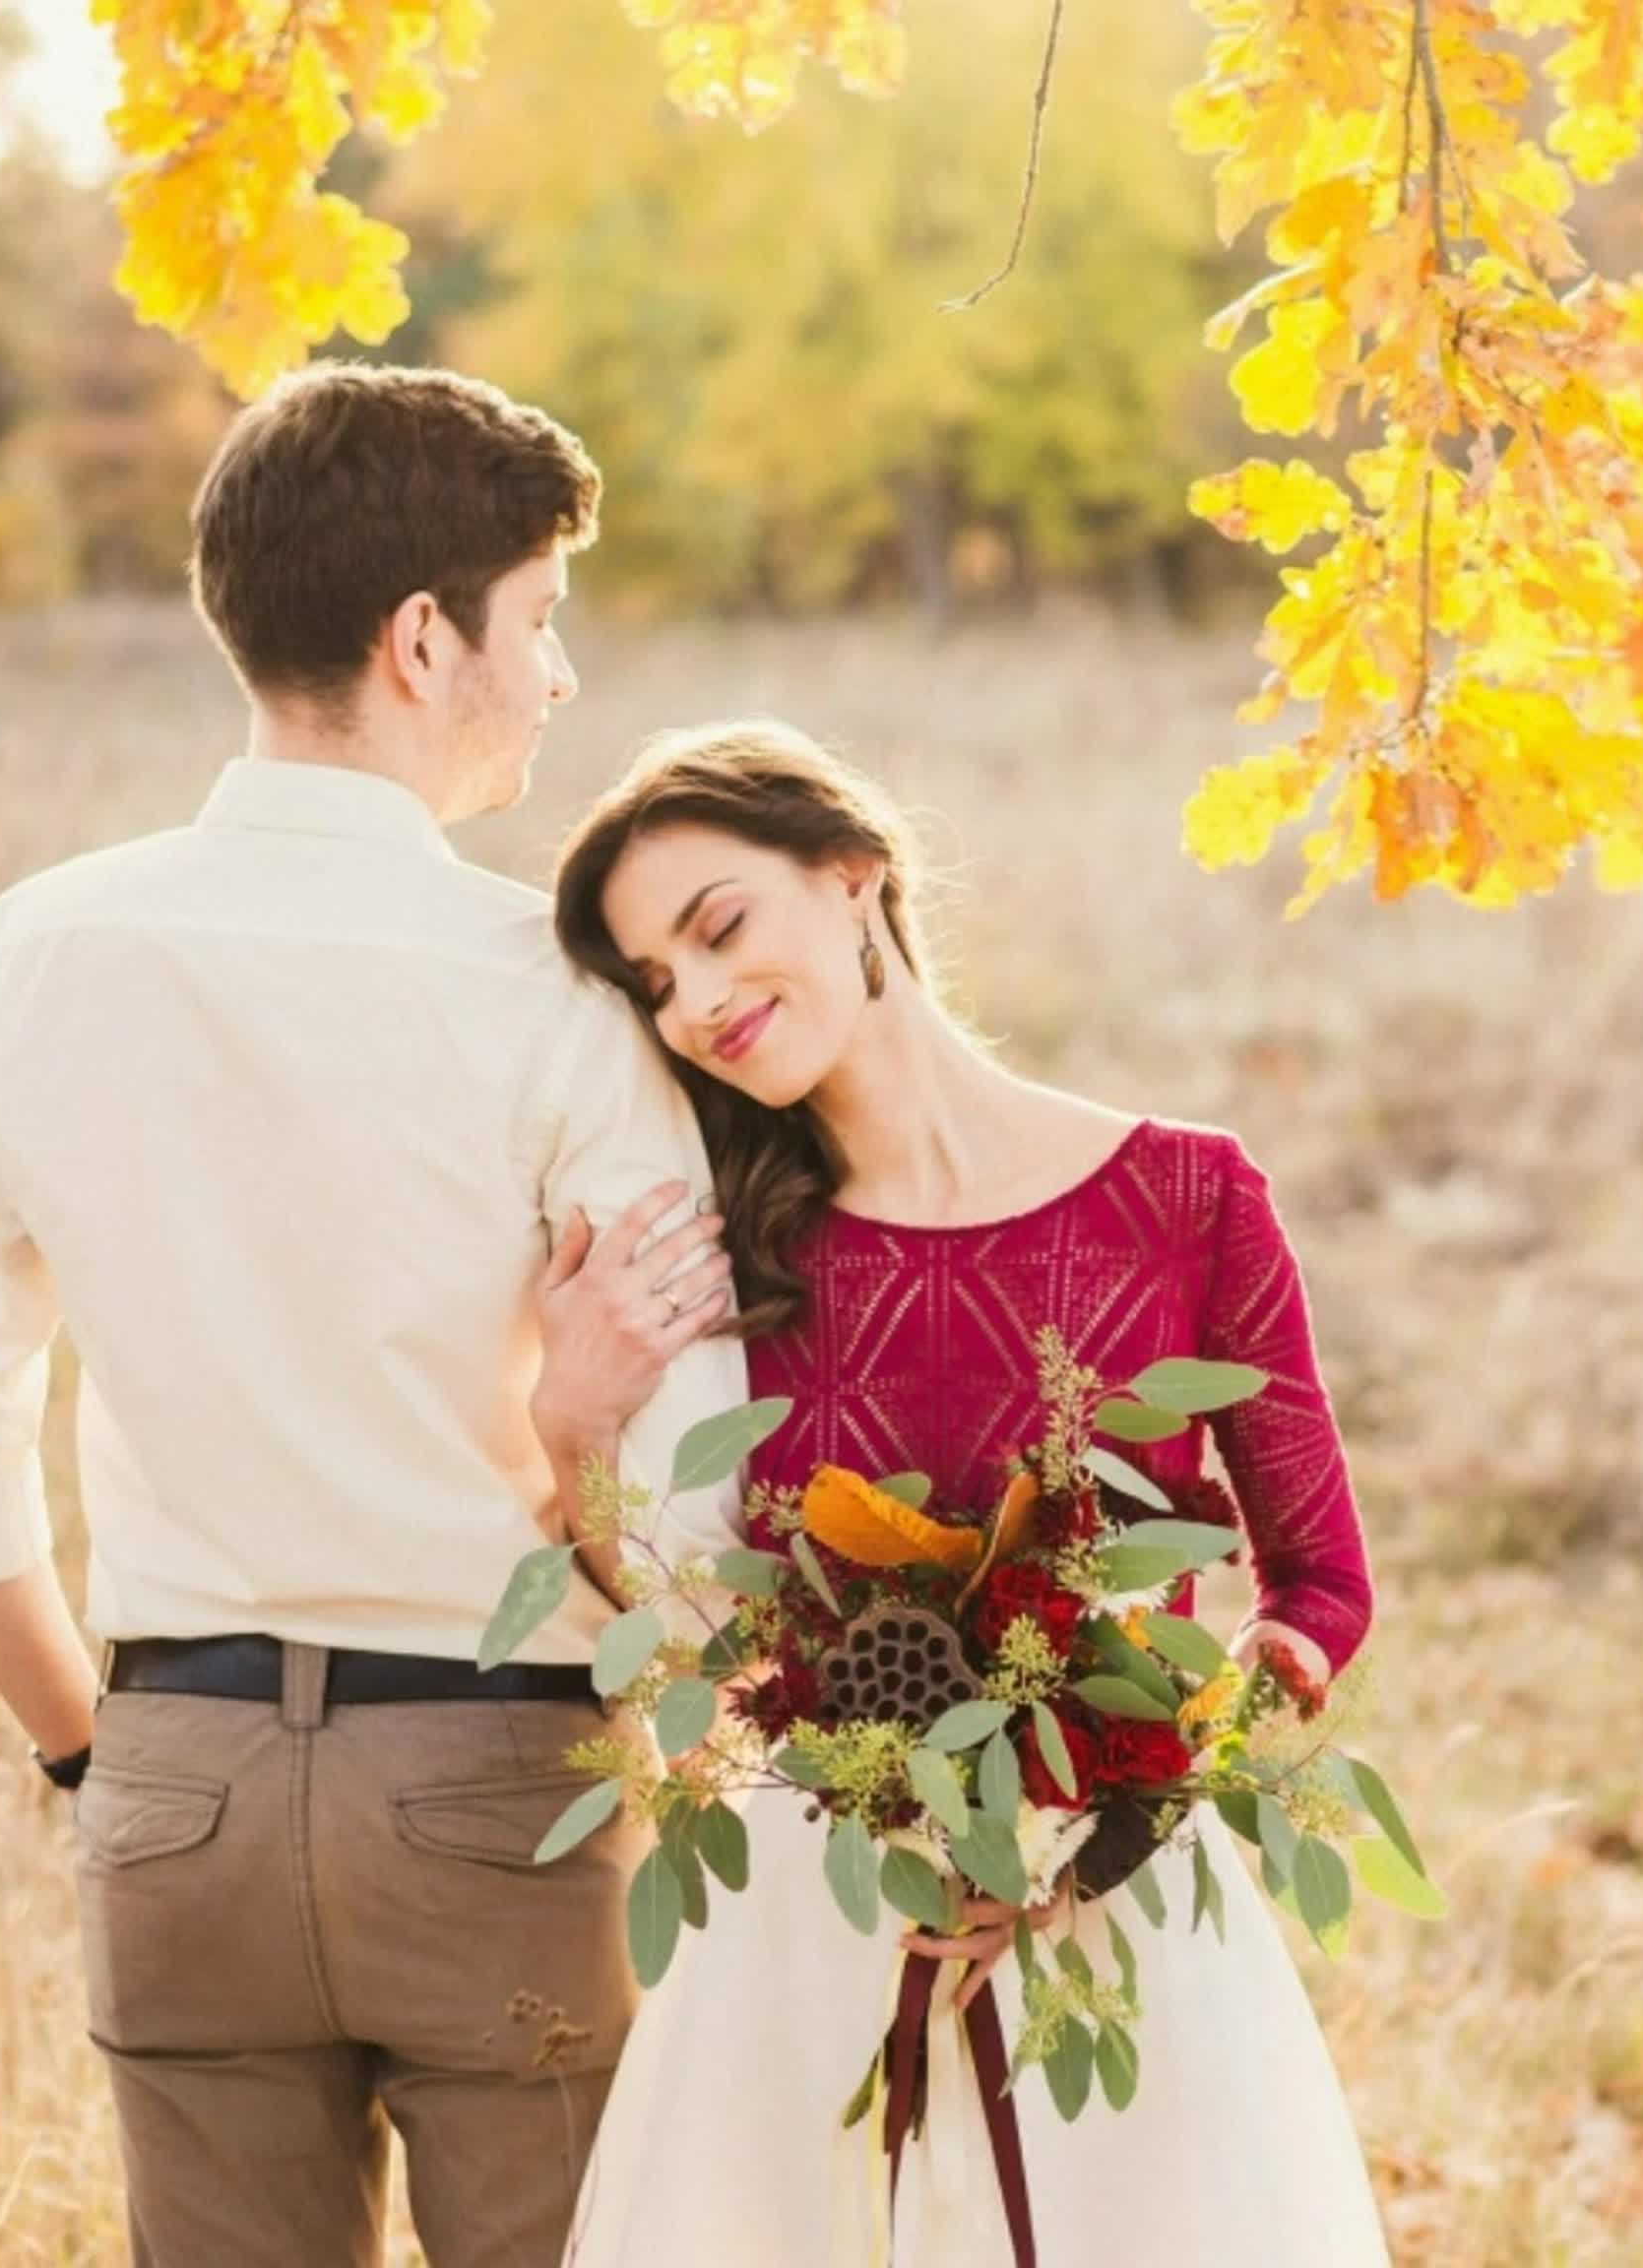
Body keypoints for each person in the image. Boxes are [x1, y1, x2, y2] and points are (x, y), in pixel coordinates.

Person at [0, 363, 746, 2265]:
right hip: (499, 1787)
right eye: (541, 622)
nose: (559, 676)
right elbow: (704, 1496)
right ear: (425, 640)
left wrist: (97, 1765)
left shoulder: (30, 952)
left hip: (175, 1792)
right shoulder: (554, 994)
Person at [545, 720, 1392, 2265]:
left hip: (1110, 1923)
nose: (698, 1002)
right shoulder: (734, 1262)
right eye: (654, 983)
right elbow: (678, 1607)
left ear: (854, 879)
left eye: (719, 928)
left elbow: (1319, 1586)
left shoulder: (1191, 1198)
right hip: (813, 1927)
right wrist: (574, 1437)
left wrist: (1111, 1822)